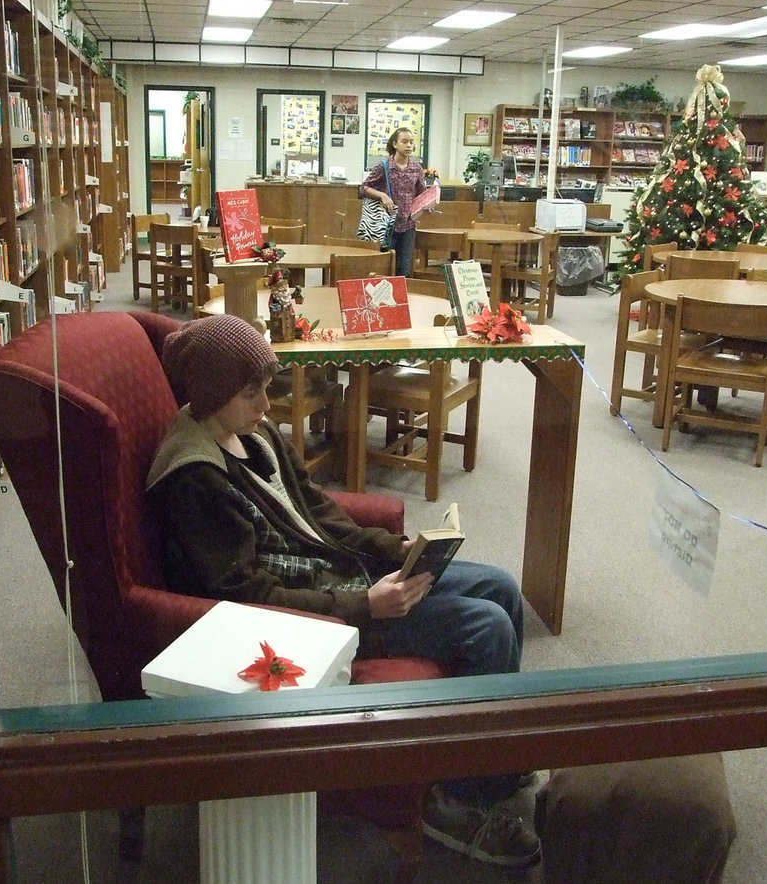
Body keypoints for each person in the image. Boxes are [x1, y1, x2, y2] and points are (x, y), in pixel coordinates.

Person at [147, 314, 540, 868]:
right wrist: (365, 607)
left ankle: (494, 759)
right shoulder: (195, 478)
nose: (265, 405)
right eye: (251, 393)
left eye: (266, 389)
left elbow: (318, 510)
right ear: (212, 395)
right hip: (323, 618)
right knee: (486, 626)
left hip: (342, 574)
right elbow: (245, 596)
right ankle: (461, 802)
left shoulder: (252, 432)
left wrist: (394, 549)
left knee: (501, 587)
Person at [359, 127, 428, 278]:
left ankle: (402, 293)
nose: (409, 145)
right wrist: (382, 195)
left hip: (408, 224)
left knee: (404, 270)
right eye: (404, 142)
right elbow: (363, 188)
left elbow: (422, 193)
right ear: (395, 144)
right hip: (386, 224)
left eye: (411, 142)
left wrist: (427, 205)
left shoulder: (416, 168)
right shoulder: (384, 166)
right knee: (384, 267)